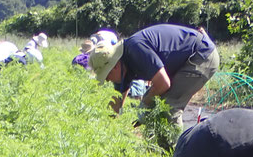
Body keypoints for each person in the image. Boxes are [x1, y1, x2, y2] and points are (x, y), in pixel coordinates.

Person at [89, 23, 219, 127]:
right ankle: (161, 149)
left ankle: (174, 155)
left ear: (114, 66)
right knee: (156, 103)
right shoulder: (122, 65)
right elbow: (117, 102)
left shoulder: (136, 49)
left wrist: (144, 105)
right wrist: (107, 125)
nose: (107, 80)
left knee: (168, 107)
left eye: (106, 76)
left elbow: (163, 84)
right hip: (186, 59)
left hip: (201, 55)